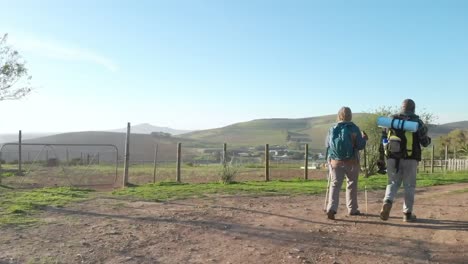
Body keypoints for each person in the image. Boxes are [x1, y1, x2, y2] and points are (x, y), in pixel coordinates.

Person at [379, 99, 431, 222]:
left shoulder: (391, 120)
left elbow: (383, 139)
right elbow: (424, 142)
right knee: (409, 186)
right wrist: (428, 139)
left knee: (392, 183)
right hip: (411, 159)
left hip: (392, 157)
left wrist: (381, 156)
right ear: (413, 109)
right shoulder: (417, 122)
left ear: (401, 108)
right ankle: (407, 213)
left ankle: (387, 201)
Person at [325, 107, 368, 220]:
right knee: (351, 185)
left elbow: (327, 145)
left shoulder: (332, 129)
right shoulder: (354, 128)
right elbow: (360, 145)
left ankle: (331, 208)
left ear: (339, 115)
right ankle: (352, 209)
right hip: (352, 161)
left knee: (335, 184)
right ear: (350, 115)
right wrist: (364, 139)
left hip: (335, 161)